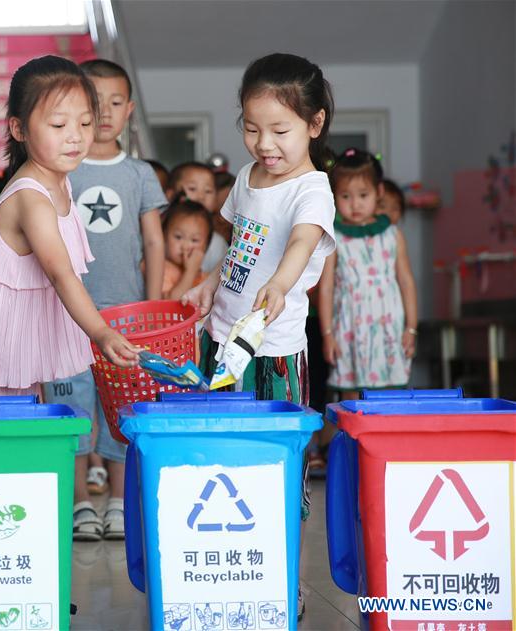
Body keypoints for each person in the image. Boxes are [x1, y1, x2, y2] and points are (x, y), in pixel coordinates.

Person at [181, 52, 337, 621]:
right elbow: (237, 245)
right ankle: (229, 571)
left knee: (279, 471)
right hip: (222, 344)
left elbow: (301, 243)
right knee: (223, 463)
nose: (264, 144)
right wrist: (208, 282)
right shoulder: (247, 178)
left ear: (314, 124)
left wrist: (280, 284)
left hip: (274, 355)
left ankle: (285, 580)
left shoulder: (312, 190)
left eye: (279, 130)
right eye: (251, 129)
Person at [0, 53, 139, 416]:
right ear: (19, 129)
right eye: (58, 124)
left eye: (85, 122)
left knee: (21, 449)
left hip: (13, 356)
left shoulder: (60, 183)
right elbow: (61, 274)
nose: (75, 136)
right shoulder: (31, 197)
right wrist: (101, 333)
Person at [38, 58, 166, 542]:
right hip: (65, 318)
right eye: (95, 102)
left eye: (115, 102)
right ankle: (79, 503)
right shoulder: (60, 169)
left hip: (126, 319)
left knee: (122, 411)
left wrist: (153, 309)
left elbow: (153, 242)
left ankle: (117, 501)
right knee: (71, 412)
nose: (105, 112)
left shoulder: (139, 173)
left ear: (130, 109)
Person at [319, 148, 418, 399]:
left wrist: (411, 328)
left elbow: (406, 282)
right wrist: (327, 335)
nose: (355, 204)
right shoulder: (335, 237)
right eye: (345, 196)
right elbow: (326, 288)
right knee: (350, 397)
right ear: (334, 196)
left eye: (363, 195)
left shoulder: (392, 234)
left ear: (379, 192)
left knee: (390, 396)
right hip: (348, 329)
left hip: (388, 327)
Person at [168, 162, 229, 274]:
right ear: (171, 195)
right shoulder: (159, 233)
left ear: (215, 200)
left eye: (208, 191)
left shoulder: (218, 244)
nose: (201, 197)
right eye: (192, 189)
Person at [160, 197, 211, 299]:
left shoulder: (206, 277)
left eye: (194, 240)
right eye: (178, 237)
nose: (185, 246)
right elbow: (170, 303)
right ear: (164, 236)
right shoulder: (162, 270)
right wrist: (190, 272)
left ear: (206, 245)